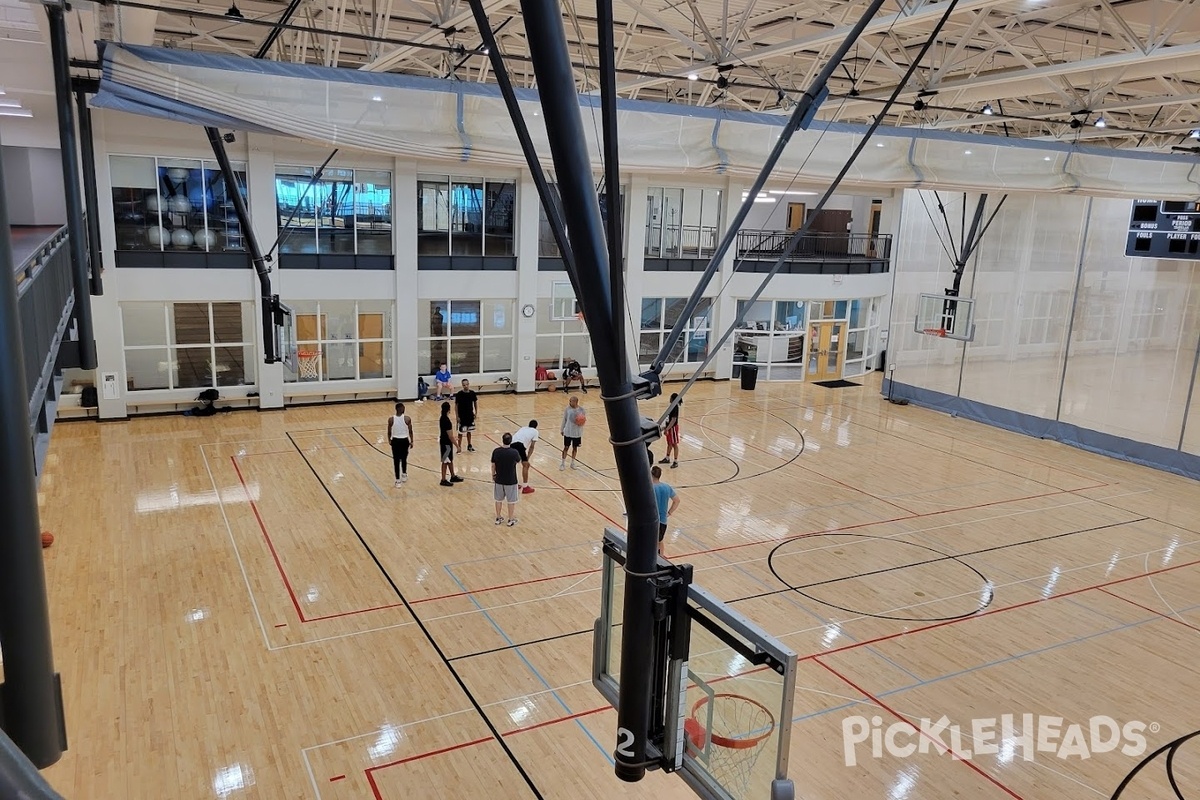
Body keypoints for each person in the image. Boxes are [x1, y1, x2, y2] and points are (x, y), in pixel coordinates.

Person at [491, 433, 521, 527]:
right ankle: (510, 519)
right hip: (511, 480)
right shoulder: (514, 452)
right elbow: (518, 461)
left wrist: (493, 475)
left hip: (499, 479)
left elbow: (493, 465)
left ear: (502, 440)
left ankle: (498, 517)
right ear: (511, 441)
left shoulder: (496, 451)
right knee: (511, 501)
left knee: (498, 500)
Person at [652, 465, 680, 557]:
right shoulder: (667, 487)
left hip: (652, 520)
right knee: (660, 540)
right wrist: (669, 512)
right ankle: (661, 559)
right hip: (663, 520)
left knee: (653, 542)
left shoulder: (650, 488)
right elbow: (677, 500)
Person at [387, 402, 415, 487]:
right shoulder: (407, 419)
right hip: (404, 440)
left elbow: (389, 432)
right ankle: (404, 474)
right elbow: (410, 431)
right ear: (402, 409)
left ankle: (398, 480)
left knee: (396, 460)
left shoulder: (391, 419)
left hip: (395, 440)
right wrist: (412, 441)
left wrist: (389, 440)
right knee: (403, 458)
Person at [438, 401, 464, 486]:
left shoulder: (442, 418)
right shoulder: (446, 421)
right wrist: (457, 446)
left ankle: (453, 476)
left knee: (449, 460)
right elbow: (450, 436)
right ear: (449, 409)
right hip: (446, 444)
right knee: (445, 461)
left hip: (444, 443)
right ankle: (443, 479)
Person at [510, 420, 540, 494]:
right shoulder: (535, 431)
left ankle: (513, 484)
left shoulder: (523, 428)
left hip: (511, 444)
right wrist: (528, 458)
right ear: (536, 426)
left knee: (512, 465)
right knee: (526, 465)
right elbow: (532, 446)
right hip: (520, 446)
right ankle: (525, 487)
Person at [560, 395, 586, 470]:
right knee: (566, 447)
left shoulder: (582, 410)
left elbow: (583, 421)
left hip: (577, 432)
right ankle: (562, 463)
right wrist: (562, 429)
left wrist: (581, 425)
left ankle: (573, 462)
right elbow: (564, 419)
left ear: (576, 402)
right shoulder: (567, 409)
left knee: (575, 448)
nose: (570, 402)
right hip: (568, 431)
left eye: (571, 401)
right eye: (570, 401)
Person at [455, 378, 478, 453]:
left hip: (470, 415)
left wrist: (476, 412)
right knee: (460, 433)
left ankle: (469, 445)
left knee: (469, 431)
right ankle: (459, 447)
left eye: (467, 384)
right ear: (462, 385)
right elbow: (456, 406)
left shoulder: (472, 393)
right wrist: (457, 416)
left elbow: (475, 403)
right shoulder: (459, 394)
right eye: (464, 385)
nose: (466, 386)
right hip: (462, 416)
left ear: (469, 384)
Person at [660, 393, 681, 468]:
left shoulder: (675, 407)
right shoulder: (671, 406)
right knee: (669, 443)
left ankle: (675, 461)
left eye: (670, 397)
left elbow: (673, 420)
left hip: (673, 428)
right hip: (669, 426)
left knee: (674, 444)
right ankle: (667, 458)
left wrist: (667, 428)